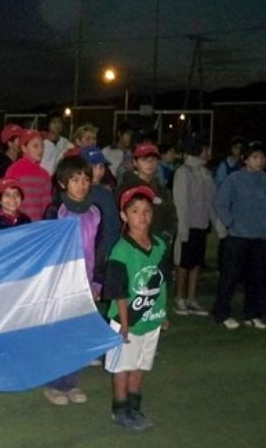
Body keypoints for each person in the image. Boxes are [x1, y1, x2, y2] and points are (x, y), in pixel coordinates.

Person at [104, 185, 170, 431]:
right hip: (128, 322)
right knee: (123, 366)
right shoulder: (120, 251)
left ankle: (134, 406)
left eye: (147, 211)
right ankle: (120, 409)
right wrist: (124, 323)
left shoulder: (160, 246)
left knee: (142, 364)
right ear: (124, 216)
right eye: (135, 211)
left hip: (151, 319)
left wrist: (163, 314)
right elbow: (118, 291)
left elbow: (163, 283)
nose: (142, 216)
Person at [42, 156, 102, 406]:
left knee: (78, 334)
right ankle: (55, 384)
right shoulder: (55, 211)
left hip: (85, 283)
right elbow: (45, 249)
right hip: (59, 284)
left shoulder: (95, 212)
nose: (81, 184)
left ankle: (73, 382)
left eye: (86, 179)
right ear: (63, 182)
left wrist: (96, 283)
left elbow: (97, 250)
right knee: (59, 335)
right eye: (75, 179)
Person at [211, 141, 266, 330]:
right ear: (245, 159)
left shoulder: (264, 179)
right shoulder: (234, 179)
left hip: (259, 238)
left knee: (257, 278)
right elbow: (220, 203)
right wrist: (231, 223)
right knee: (230, 278)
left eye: (261, 157)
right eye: (255, 157)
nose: (259, 161)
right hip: (237, 237)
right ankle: (221, 313)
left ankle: (253, 313)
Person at [172, 142, 216, 317]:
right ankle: (180, 298)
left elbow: (210, 200)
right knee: (183, 264)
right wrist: (183, 227)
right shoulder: (184, 172)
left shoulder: (205, 173)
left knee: (196, 263)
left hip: (201, 225)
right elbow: (181, 200)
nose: (208, 153)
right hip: (188, 225)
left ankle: (191, 298)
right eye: (206, 150)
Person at [4, 129, 52, 221]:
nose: (40, 150)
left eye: (42, 146)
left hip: (38, 226)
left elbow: (46, 205)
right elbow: (8, 200)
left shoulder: (44, 174)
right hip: (18, 224)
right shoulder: (13, 170)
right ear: (24, 148)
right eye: (35, 146)